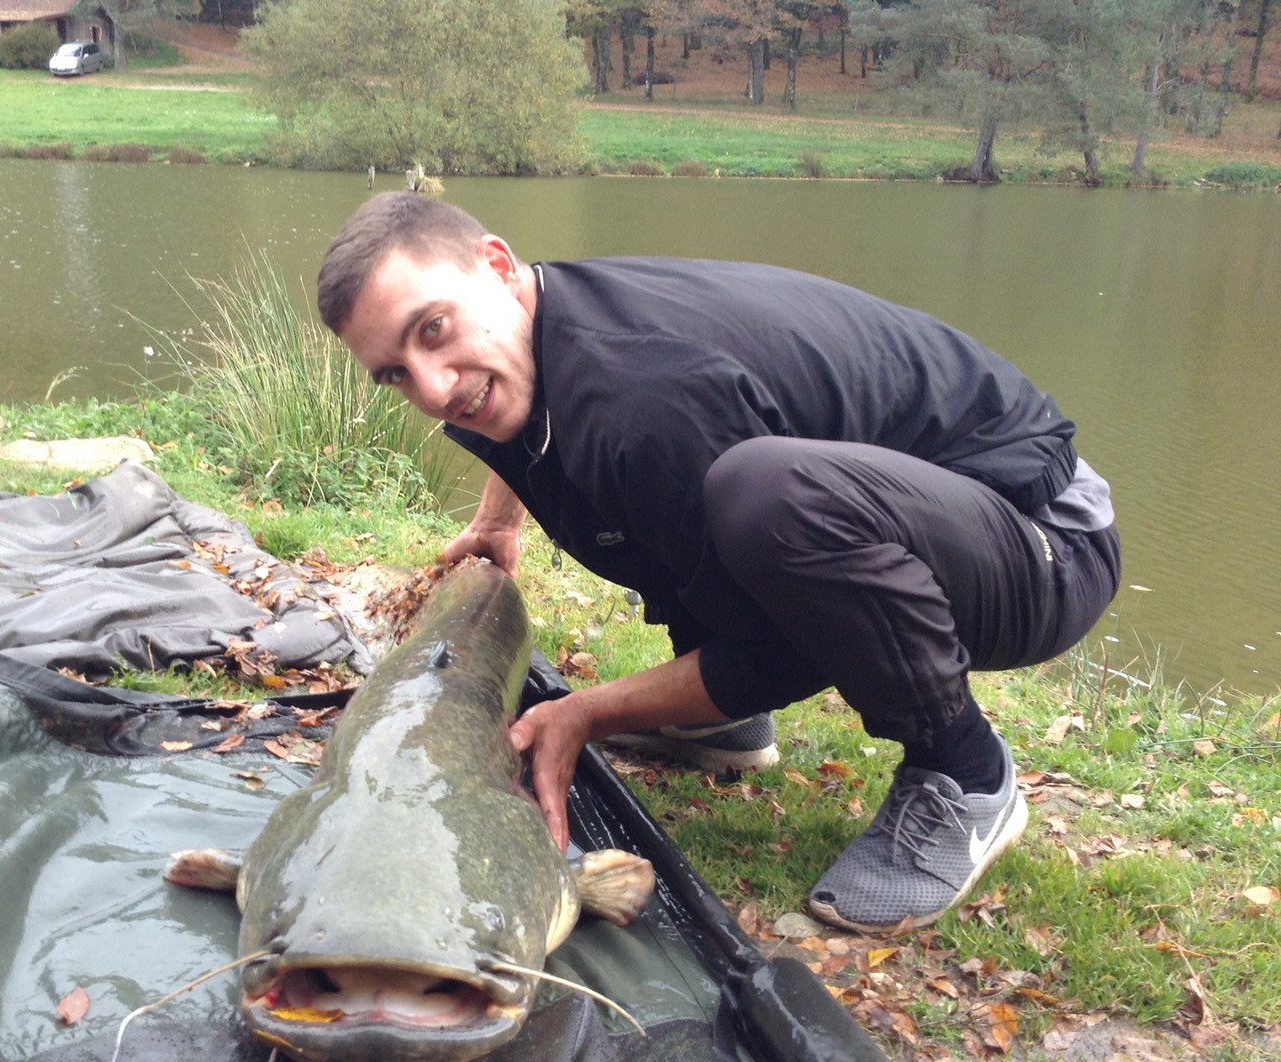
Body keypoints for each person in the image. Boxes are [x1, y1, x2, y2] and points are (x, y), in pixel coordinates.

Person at [317, 192, 1121, 934]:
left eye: (433, 330)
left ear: (496, 265)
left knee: (762, 498)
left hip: (1042, 539)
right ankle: (723, 724)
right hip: (917, 509)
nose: (432, 388)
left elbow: (792, 651)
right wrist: (499, 519)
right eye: (395, 373)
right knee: (688, 492)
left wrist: (588, 711)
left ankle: (965, 769)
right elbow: (520, 420)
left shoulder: (639, 398)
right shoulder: (526, 321)